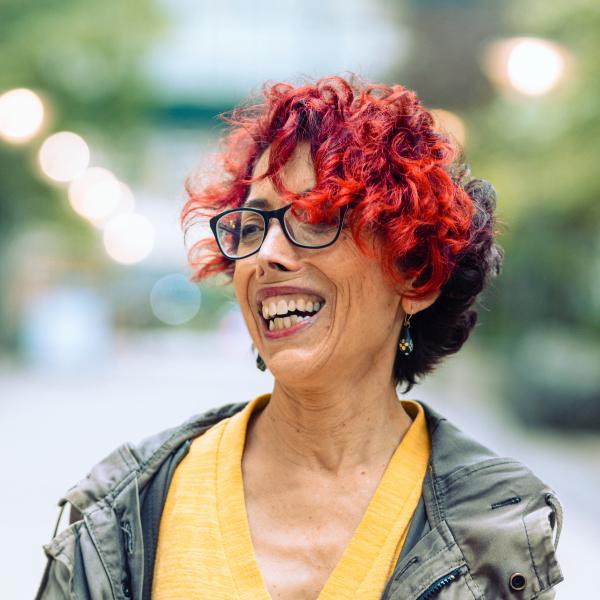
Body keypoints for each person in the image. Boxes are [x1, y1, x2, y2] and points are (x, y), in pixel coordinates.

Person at [36, 76, 564, 599]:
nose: (267, 253)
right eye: (251, 225)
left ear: (414, 273)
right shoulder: (125, 509)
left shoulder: (499, 528)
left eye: (316, 217)